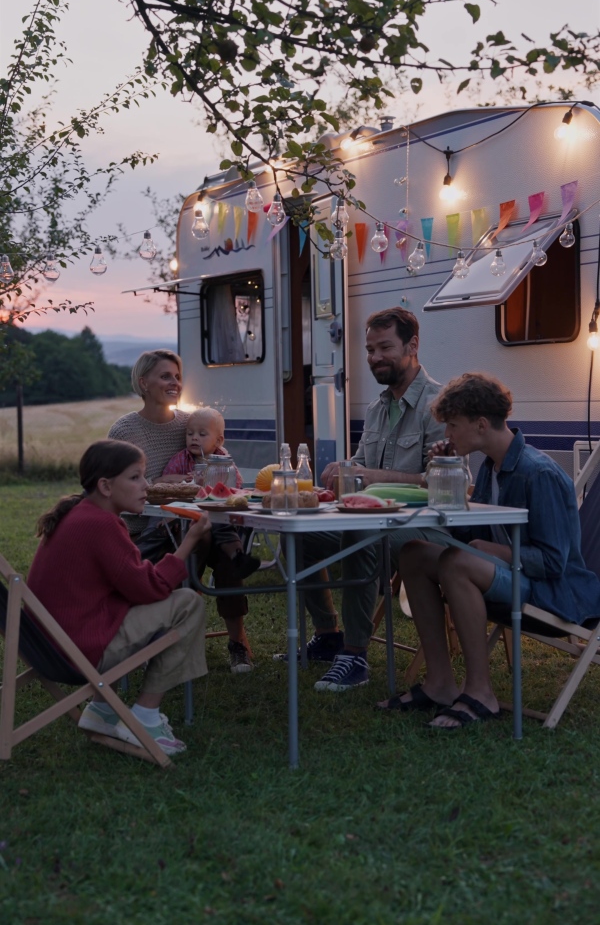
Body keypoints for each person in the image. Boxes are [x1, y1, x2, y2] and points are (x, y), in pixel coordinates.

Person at [385, 372, 600, 728]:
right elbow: (468, 531)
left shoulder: (538, 473)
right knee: (413, 553)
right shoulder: (490, 468)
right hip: (509, 578)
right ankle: (440, 683)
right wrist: (446, 471)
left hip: (555, 594)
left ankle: (481, 692)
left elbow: (553, 563)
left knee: (456, 562)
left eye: (452, 426)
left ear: (481, 424)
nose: (447, 434)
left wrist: (494, 551)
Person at [280, 307, 449, 692]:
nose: (375, 358)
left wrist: (372, 476)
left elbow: (443, 481)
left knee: (360, 535)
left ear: (413, 345)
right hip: (377, 522)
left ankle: (355, 658)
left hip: (426, 529)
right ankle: (328, 636)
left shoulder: (439, 404)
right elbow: (359, 465)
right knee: (299, 533)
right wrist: (343, 469)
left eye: (385, 347)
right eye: (370, 350)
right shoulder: (376, 409)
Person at [27, 440, 211, 755]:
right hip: (79, 650)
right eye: (136, 477)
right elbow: (149, 588)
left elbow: (129, 583)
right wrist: (190, 540)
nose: (147, 485)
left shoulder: (80, 514)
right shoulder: (101, 525)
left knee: (130, 603)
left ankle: (103, 711)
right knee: (188, 603)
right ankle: (145, 716)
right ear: (106, 486)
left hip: (50, 646)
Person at [108, 351, 256, 674]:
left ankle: (237, 642)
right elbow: (117, 489)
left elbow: (219, 457)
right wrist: (159, 482)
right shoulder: (125, 431)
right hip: (145, 529)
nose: (174, 383)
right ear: (143, 383)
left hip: (192, 521)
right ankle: (179, 639)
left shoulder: (188, 423)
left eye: (177, 376)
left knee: (226, 548)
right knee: (201, 541)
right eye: (165, 376)